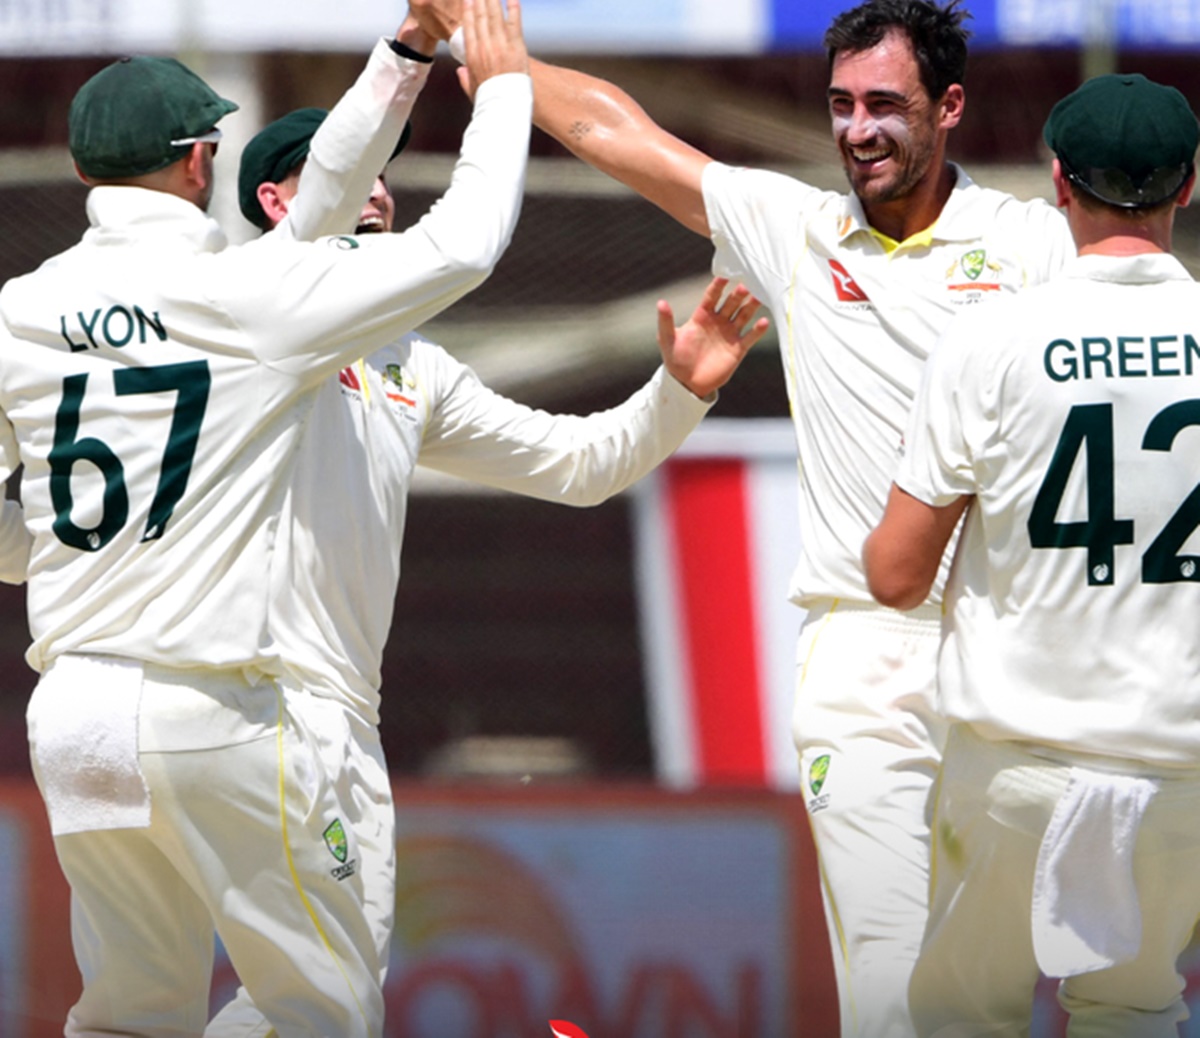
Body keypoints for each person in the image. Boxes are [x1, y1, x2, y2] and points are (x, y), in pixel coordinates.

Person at [407, 0, 1076, 1033]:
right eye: (842, 105)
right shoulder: (798, 230)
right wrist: (495, 62)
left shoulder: (1033, 246)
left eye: (886, 106)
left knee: (984, 1000)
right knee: (892, 992)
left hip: (1008, 654)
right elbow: (625, 135)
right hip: (863, 662)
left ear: (949, 107)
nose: (859, 130)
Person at [0, 1, 531, 1033]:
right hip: (211, 704)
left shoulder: (18, 310)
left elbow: (1, 534)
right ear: (203, 164)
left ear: (81, 176)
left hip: (72, 717)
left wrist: (406, 52)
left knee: (127, 1012)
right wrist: (499, 85)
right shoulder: (243, 298)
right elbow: (462, 247)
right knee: (318, 1008)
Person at [205, 104, 769, 1034]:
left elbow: (583, 466)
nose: (380, 191)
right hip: (262, 705)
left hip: (334, 716)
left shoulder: (412, 366)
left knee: (299, 1007)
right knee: (320, 1005)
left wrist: (683, 389)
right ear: (276, 203)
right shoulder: (233, 319)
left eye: (387, 171)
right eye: (353, 171)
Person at [864, 72, 1200, 1035]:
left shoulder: (992, 340)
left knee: (964, 1018)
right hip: (1184, 771)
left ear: (1059, 183)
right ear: (1186, 186)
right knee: (1135, 1007)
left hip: (1019, 769)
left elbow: (894, 575)